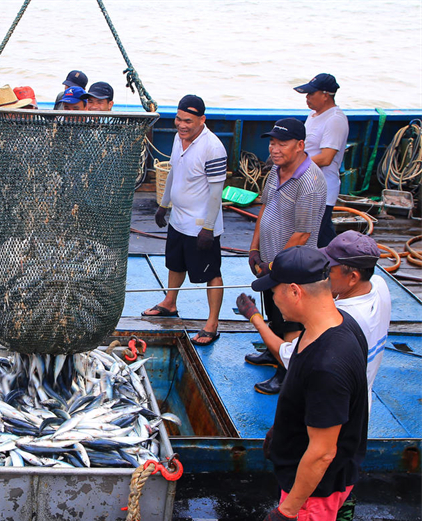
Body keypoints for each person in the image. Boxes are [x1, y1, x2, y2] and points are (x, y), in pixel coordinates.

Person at [239, 231, 391, 521]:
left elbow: (323, 451)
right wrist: (283, 431)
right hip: (313, 477)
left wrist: (289, 511)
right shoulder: (340, 322)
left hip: (313, 493)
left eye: (274, 293)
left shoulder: (328, 365)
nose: (273, 301)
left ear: (295, 291)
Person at [245, 118, 326, 394]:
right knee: (274, 309)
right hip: (270, 260)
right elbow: (265, 208)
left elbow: (303, 234)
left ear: (300, 145)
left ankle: (286, 371)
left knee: (291, 318)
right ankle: (273, 350)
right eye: (272, 142)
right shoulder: (275, 171)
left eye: (282, 143)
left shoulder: (310, 183)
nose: (274, 149)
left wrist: (274, 265)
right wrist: (255, 248)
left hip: (291, 266)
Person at [143, 95, 227, 346]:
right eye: (178, 119)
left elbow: (216, 192)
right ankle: (170, 302)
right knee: (175, 263)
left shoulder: (213, 148)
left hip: (201, 225)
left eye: (188, 121)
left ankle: (212, 323)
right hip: (178, 219)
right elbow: (173, 172)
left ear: (202, 120)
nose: (181, 125)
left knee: (211, 272)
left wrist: (208, 229)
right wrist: (164, 204)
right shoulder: (179, 139)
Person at [294, 73, 349, 247]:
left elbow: (326, 158)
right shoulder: (313, 115)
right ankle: (338, 263)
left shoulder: (335, 120)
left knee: (316, 234)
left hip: (322, 189)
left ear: (326, 95)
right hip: (307, 183)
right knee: (321, 233)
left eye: (312, 94)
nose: (307, 98)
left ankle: (338, 265)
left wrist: (293, 163)